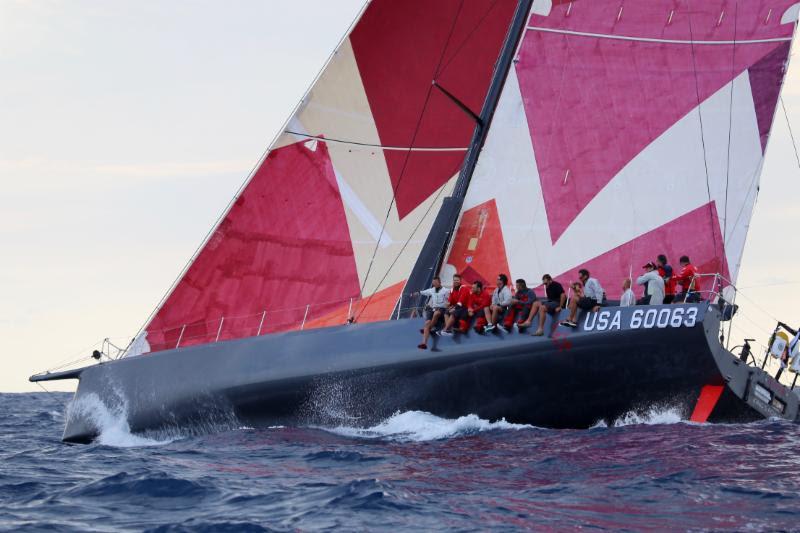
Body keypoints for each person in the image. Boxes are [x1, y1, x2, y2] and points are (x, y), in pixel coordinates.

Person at [417, 277, 450, 350]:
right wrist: (417, 293)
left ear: (439, 282)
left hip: (442, 309)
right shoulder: (431, 290)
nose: (434, 284)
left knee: (436, 314)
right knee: (427, 323)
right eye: (433, 283)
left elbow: (451, 298)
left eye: (435, 282)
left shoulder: (446, 291)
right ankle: (424, 343)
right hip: (433, 309)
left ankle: (428, 328)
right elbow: (423, 292)